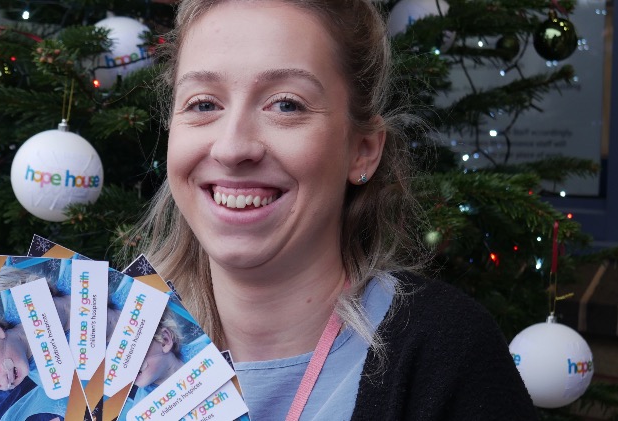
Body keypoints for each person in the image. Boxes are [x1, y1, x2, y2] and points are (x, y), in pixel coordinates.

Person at [132, 0, 540, 419]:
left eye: (286, 104)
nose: (233, 148)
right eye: (203, 104)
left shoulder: (448, 353)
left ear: (362, 151)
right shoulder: (107, 350)